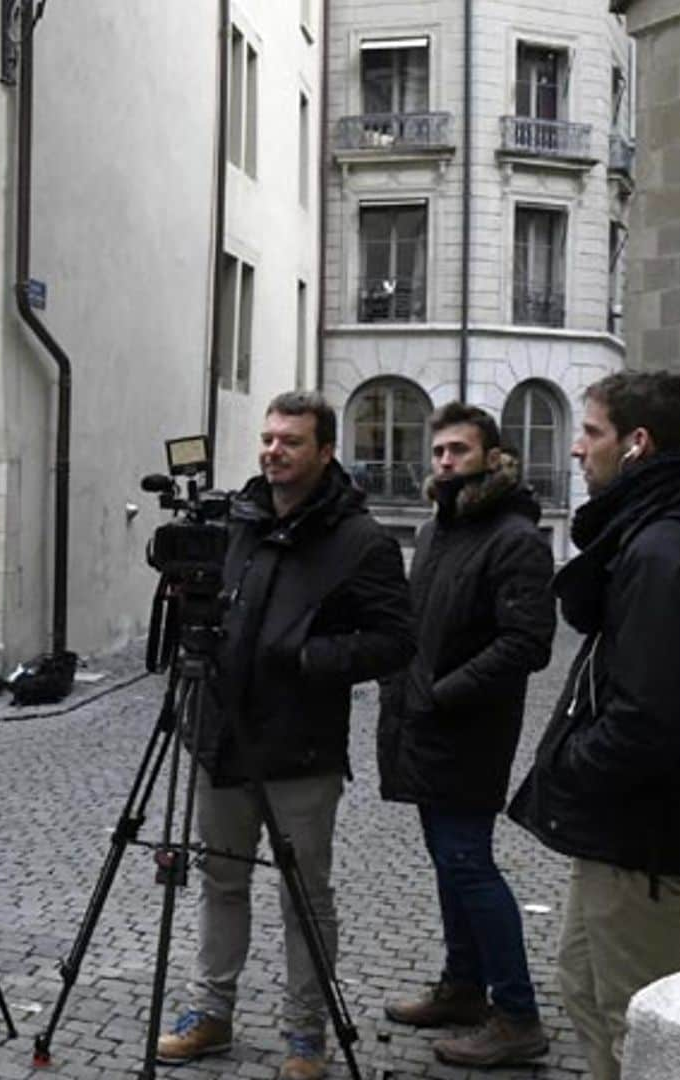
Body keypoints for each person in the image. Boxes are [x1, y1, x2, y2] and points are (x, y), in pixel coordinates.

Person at [157, 392, 415, 1080]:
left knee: (304, 894)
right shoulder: (236, 521)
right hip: (220, 737)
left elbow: (396, 641)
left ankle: (307, 1035)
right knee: (220, 881)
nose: (273, 450)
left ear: (325, 451)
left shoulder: (362, 541)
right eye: (268, 438)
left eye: (290, 441)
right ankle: (211, 1013)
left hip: (301, 747)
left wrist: (311, 657)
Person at [507, 371, 680, 1080]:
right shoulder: (652, 536)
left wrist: (568, 765)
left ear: (637, 443)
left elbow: (648, 720)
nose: (578, 449)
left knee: (634, 1019)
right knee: (584, 989)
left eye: (591, 432)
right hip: (619, 832)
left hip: (642, 834)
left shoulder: (665, 551)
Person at [376, 403, 556, 1066]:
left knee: (468, 864)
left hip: (470, 732)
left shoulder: (515, 538)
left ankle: (516, 1015)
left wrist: (442, 693)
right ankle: (462, 988)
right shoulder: (434, 532)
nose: (446, 461)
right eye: (440, 451)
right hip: (423, 727)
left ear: (492, 456)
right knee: (450, 864)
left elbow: (528, 643)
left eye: (459, 450)